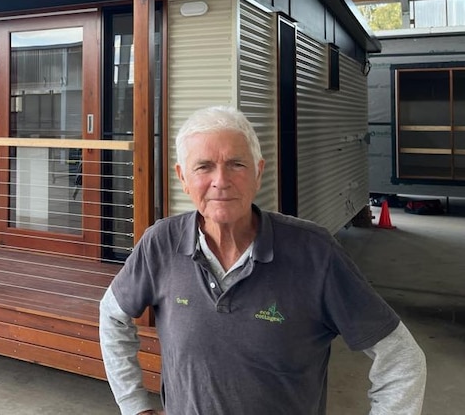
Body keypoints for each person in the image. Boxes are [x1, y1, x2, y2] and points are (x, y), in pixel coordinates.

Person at [99, 106, 426, 415]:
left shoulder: (314, 253)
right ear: (183, 177)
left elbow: (401, 358)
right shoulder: (161, 243)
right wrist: (134, 405)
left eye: (236, 164)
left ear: (258, 172)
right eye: (204, 166)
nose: (221, 181)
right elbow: (112, 315)